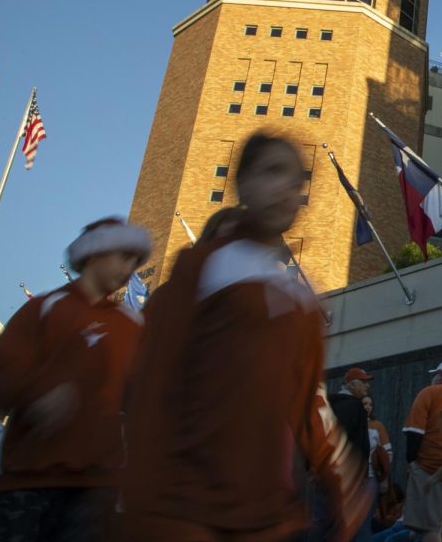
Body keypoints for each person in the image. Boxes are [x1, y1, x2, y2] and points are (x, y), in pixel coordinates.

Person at [121, 132, 369, 541]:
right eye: (272, 171)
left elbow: (309, 404)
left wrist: (345, 485)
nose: (287, 187)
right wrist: (142, 503)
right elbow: (150, 379)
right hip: (184, 511)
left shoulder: (300, 303)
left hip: (267, 519)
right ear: (243, 184)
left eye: (297, 179)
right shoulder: (201, 268)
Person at [0, 217, 150, 541]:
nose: (130, 267)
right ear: (94, 255)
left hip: (95, 490)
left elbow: (144, 397)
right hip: (25, 481)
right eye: (123, 256)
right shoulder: (45, 308)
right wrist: (37, 396)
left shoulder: (132, 325)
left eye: (135, 260)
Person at [402, 361, 442, 542]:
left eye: (435, 375)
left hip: (430, 468)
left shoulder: (429, 392)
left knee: (429, 528)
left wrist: (411, 461)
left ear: (441, 375)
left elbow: (414, 432)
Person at [328, 368, 375, 542]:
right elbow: (355, 443)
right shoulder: (354, 407)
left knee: (323, 522)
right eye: (364, 382)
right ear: (353, 385)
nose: (367, 386)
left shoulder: (328, 405)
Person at [363, 395, 393, 491]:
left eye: (371, 405)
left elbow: (387, 452)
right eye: (364, 404)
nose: (368, 407)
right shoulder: (353, 423)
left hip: (372, 474)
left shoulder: (377, 426)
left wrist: (385, 477)